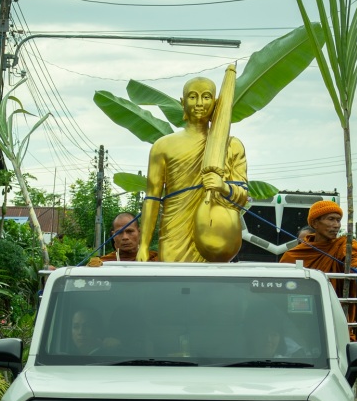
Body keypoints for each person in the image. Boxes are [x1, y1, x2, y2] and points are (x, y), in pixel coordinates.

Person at [137, 75, 248, 263]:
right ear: (183, 102)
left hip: (214, 230)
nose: (199, 103)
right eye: (192, 96)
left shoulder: (231, 146)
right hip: (174, 232)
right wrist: (144, 245)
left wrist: (223, 187)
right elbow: (152, 197)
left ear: (216, 102)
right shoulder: (163, 146)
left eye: (206, 97)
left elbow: (243, 196)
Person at [279, 201, 357, 338]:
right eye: (331, 219)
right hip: (299, 320)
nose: (336, 225)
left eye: (338, 220)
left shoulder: (343, 244)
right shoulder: (295, 254)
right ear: (315, 223)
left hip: (335, 318)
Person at [88, 213, 158, 265]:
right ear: (113, 235)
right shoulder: (102, 262)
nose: (125, 237)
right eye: (119, 232)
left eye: (130, 231)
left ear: (139, 232)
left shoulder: (155, 258)